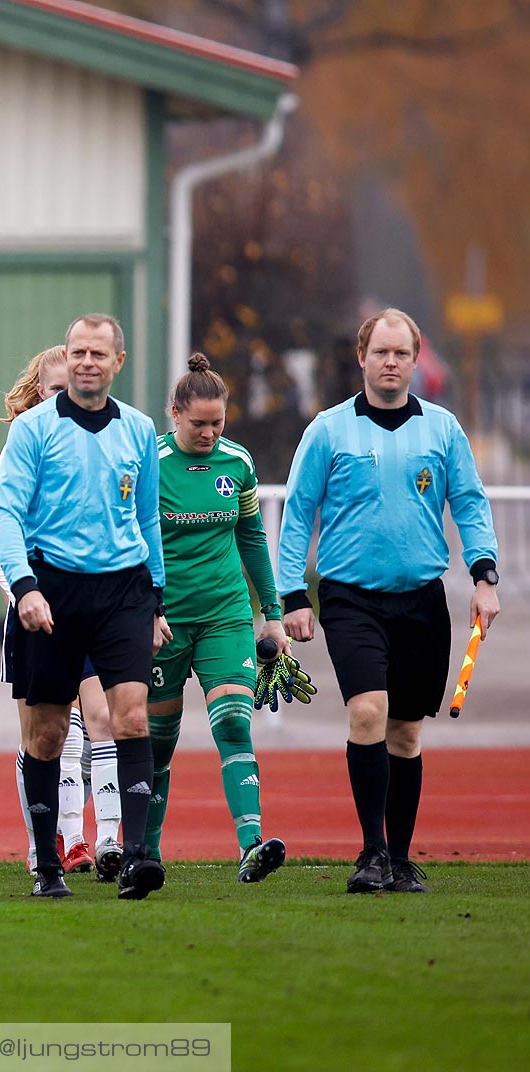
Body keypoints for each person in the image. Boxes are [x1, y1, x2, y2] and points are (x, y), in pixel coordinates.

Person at [279, 308, 500, 894]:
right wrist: (293, 596)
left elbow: (471, 505)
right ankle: (371, 852)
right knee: (367, 712)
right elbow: (298, 512)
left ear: (415, 358)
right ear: (362, 357)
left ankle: (400, 859)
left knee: (404, 732)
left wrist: (485, 575)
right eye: (381, 352)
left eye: (402, 353)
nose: (391, 362)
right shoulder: (328, 430)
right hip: (351, 599)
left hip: (422, 601)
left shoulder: (443, 429)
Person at [0, 313, 166, 901]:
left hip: (124, 591)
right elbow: (7, 513)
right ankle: (48, 864)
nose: (86, 362)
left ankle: (137, 857)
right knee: (47, 733)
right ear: (65, 359)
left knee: (132, 718)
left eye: (98, 353)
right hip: (53, 591)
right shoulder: (34, 429)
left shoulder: (140, 429)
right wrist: (24, 586)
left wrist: (156, 599)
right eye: (77, 352)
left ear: (119, 361)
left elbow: (147, 518)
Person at [0, 346, 116, 876]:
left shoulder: (105, 443)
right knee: (47, 735)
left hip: (91, 607)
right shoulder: (21, 449)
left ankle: (92, 841)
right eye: (54, 391)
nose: (67, 398)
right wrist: (14, 595)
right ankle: (44, 845)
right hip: (33, 610)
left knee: (97, 719)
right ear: (39, 393)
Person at [145, 355, 289, 882]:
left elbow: (251, 537)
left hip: (226, 614)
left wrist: (270, 615)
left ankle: (252, 844)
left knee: (232, 722)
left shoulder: (238, 463)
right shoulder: (150, 463)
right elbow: (133, 541)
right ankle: (147, 851)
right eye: (199, 423)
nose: (209, 433)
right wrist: (144, 609)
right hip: (163, 621)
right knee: (158, 740)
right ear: (175, 415)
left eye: (218, 423)